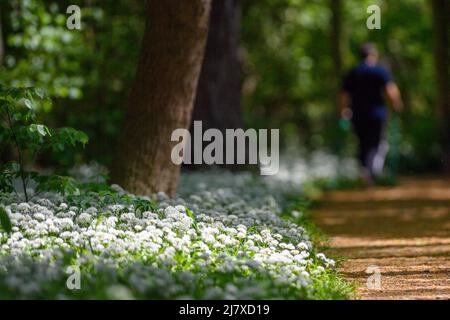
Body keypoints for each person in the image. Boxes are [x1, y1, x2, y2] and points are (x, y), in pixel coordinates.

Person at [339, 43, 403, 185]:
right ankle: (370, 172)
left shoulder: (353, 72)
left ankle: (364, 170)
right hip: (377, 114)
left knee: (362, 143)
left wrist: (344, 111)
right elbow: (391, 91)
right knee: (376, 143)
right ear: (374, 54)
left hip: (357, 115)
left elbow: (344, 95)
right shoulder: (380, 71)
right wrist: (396, 107)